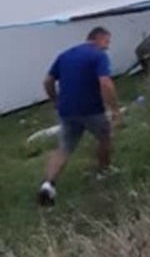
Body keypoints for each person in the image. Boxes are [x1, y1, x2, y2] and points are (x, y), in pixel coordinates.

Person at [37, 27, 121, 206]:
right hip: (92, 109)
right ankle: (103, 171)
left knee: (64, 148)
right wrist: (114, 109)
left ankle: (48, 185)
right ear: (98, 39)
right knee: (105, 137)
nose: (107, 47)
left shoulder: (65, 55)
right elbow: (105, 83)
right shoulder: (98, 56)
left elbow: (47, 81)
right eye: (107, 42)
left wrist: (55, 100)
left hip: (67, 110)